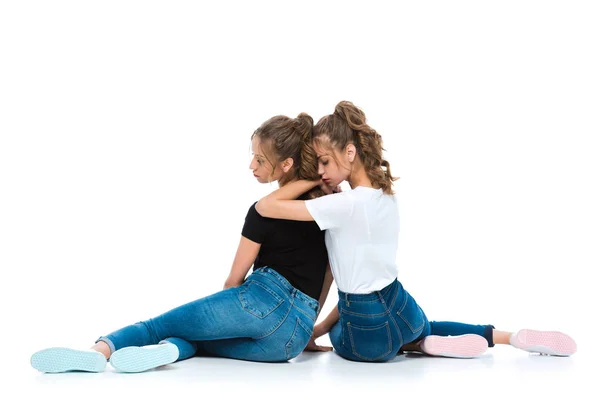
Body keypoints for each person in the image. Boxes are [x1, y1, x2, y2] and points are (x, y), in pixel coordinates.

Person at [255, 101, 577, 361]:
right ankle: (506, 337)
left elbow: (266, 207)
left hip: (366, 329)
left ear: (349, 153)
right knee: (428, 327)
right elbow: (366, 272)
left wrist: (312, 180)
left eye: (324, 161)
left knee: (341, 340)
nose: (322, 170)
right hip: (401, 305)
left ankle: (415, 347)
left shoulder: (342, 206)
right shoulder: (386, 198)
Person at [30, 113, 334, 373]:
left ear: (286, 165)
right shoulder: (328, 208)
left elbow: (234, 281)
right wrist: (309, 329)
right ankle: (170, 352)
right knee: (200, 341)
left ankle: (98, 353)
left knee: (155, 326)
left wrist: (227, 312)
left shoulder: (262, 211)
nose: (251, 165)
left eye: (259, 159)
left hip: (261, 300)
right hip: (290, 339)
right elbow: (329, 274)